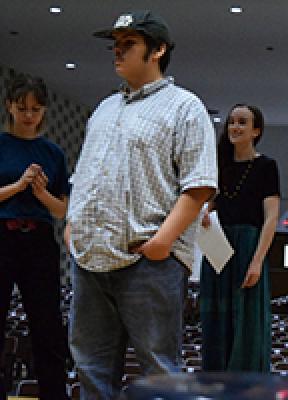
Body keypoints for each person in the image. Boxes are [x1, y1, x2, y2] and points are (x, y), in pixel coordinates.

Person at [65, 10, 217, 399]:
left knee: (159, 370)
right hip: (90, 257)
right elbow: (83, 177)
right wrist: (71, 225)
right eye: (115, 43)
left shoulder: (186, 107)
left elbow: (198, 187)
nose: (117, 50)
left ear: (158, 49)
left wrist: (162, 244)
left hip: (149, 261)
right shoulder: (102, 109)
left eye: (128, 43)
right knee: (89, 367)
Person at [0, 74, 69, 400]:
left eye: (36, 108)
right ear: (9, 107)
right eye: (22, 108)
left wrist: (40, 192)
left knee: (47, 327)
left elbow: (61, 211)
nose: (29, 115)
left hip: (40, 239)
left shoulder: (52, 153)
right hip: (3, 236)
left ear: (44, 111)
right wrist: (18, 186)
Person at [200, 104, 280, 372]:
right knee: (215, 320)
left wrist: (257, 261)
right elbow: (210, 202)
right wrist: (205, 212)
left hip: (248, 244)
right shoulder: (217, 164)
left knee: (246, 320)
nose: (234, 127)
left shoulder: (266, 166)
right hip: (218, 246)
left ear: (256, 130)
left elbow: (271, 217)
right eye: (232, 121)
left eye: (242, 122)